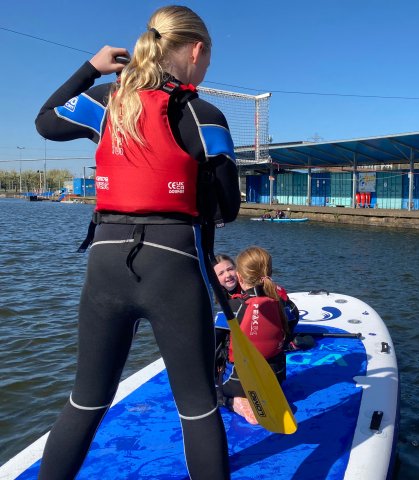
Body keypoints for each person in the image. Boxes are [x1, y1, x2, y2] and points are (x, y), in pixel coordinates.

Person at [34, 6, 240, 479]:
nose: (206, 71)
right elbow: (227, 210)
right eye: (207, 62)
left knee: (85, 401)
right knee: (197, 408)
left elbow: (45, 121)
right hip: (172, 266)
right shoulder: (203, 114)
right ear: (196, 50)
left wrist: (91, 67)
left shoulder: (109, 101)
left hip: (105, 266)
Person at [215, 247, 291, 424]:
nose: (228, 275)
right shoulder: (279, 301)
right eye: (221, 273)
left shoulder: (233, 308)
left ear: (240, 275)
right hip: (276, 376)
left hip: (241, 383)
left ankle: (233, 401)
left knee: (209, 390)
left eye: (230, 269)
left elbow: (212, 343)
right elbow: (292, 320)